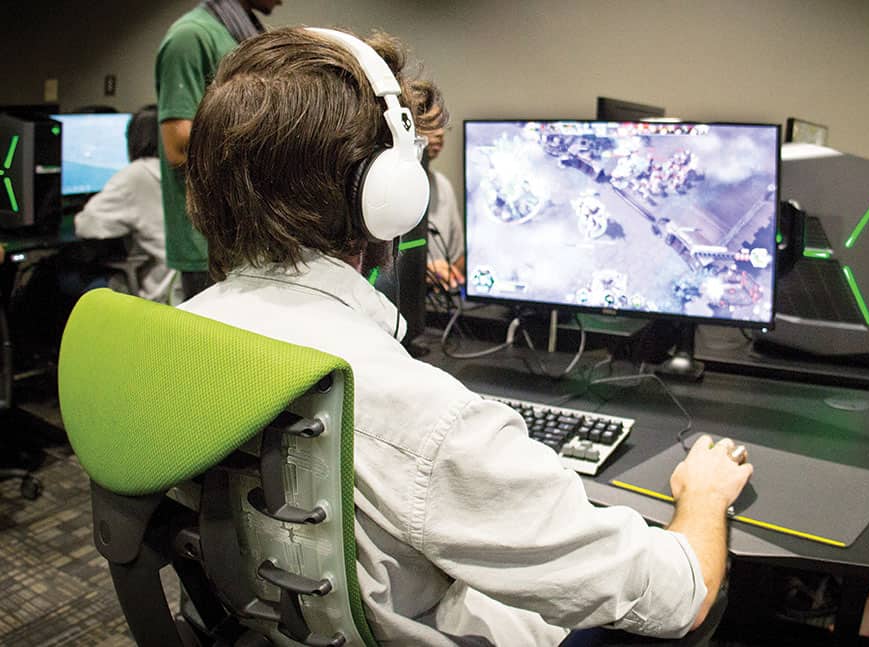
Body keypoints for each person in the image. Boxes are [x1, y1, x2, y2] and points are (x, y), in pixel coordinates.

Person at [181, 27, 753, 646]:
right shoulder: (423, 419)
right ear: (389, 198)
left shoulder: (182, 335)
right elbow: (677, 595)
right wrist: (703, 496)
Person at [154, 0, 281, 300]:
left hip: (254, 235)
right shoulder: (190, 37)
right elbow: (178, 145)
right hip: (211, 244)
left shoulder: (244, 34)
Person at [73, 105, 174, 301]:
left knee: (49, 274)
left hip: (154, 290)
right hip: (183, 286)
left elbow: (86, 225)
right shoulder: (179, 171)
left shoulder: (136, 174)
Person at [411, 86, 465, 290]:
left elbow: (458, 256)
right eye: (430, 125)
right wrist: (420, 270)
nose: (440, 133)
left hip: (435, 303)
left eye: (442, 126)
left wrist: (445, 272)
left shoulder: (442, 186)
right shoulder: (386, 190)